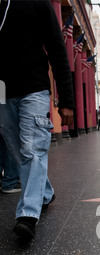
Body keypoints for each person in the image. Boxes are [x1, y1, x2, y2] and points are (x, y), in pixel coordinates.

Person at [0, 0, 74, 241]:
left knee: (32, 149)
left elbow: (56, 49)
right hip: (1, 90)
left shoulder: (36, 3)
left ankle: (27, 216)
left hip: (34, 88)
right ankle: (45, 193)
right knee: (17, 150)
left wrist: (66, 100)